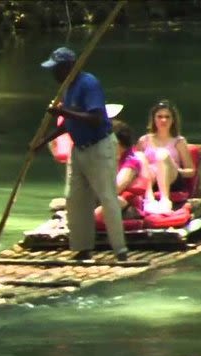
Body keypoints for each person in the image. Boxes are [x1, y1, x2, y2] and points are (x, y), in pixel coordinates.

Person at [36, 46, 128, 262]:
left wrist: (62, 111)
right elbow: (68, 123)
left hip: (99, 146)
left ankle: (120, 250)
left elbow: (95, 117)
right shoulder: (66, 88)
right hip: (79, 149)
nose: (53, 74)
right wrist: (44, 141)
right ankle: (83, 248)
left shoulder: (88, 83)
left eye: (56, 69)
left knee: (107, 197)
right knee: (74, 198)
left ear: (68, 67)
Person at [136, 99, 195, 214]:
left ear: (173, 120)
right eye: (160, 116)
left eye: (167, 117)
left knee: (162, 154)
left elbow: (191, 170)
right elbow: (135, 165)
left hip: (172, 179)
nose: (163, 120)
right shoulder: (144, 140)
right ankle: (149, 200)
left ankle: (165, 200)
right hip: (150, 181)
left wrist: (170, 169)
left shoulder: (179, 141)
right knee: (139, 155)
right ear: (154, 119)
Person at [95, 119, 150, 217]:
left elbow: (115, 189)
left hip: (127, 208)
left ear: (121, 144)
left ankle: (87, 220)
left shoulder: (131, 162)